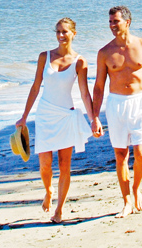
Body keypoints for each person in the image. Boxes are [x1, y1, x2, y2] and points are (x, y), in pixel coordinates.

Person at [15, 18, 101, 223]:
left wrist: (94, 119)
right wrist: (24, 116)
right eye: (58, 32)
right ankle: (48, 190)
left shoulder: (80, 61)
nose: (61, 35)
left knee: (65, 165)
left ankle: (59, 210)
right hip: (45, 115)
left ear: (74, 34)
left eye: (65, 32)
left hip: (66, 116)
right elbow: (36, 87)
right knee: (45, 165)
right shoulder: (44, 57)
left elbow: (84, 93)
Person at [92, 5, 142, 218]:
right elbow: (98, 86)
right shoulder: (105, 52)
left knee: (141, 154)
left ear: (128, 22)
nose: (112, 26)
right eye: (110, 22)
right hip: (116, 105)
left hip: (139, 103)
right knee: (120, 155)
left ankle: (136, 188)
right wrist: (95, 116)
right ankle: (126, 201)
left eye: (116, 21)